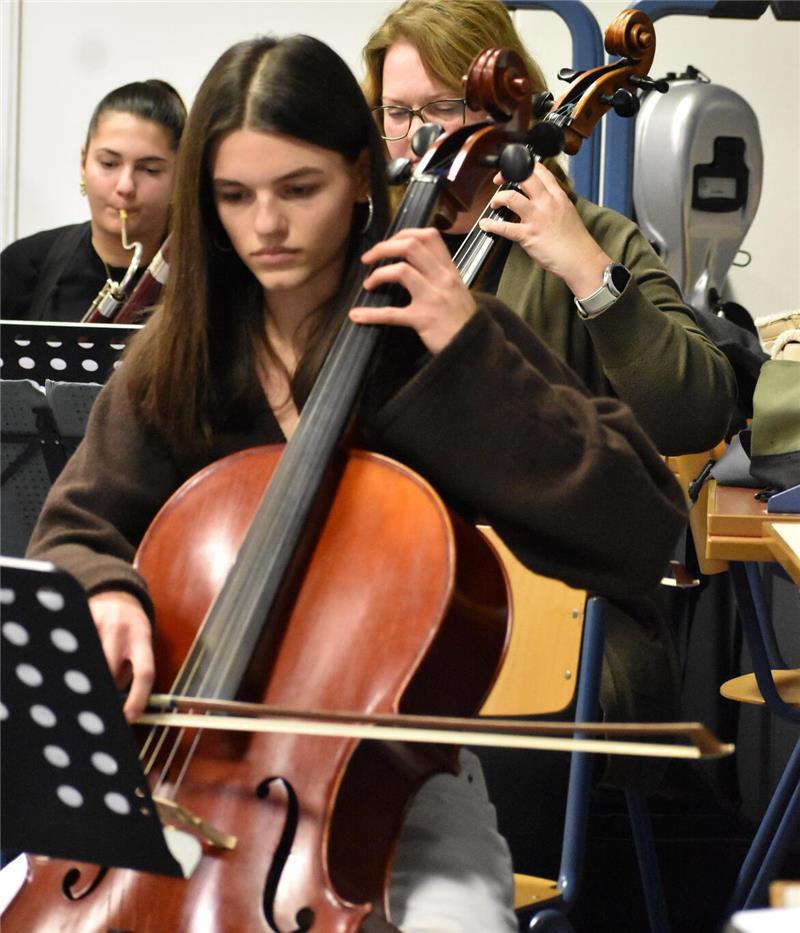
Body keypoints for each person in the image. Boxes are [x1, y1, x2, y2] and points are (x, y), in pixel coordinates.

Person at [25, 34, 687, 931]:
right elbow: (73, 530)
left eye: (299, 189)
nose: (266, 226)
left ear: (359, 175)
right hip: (173, 762)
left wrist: (470, 353)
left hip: (392, 786)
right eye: (234, 196)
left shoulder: (439, 335)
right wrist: (102, 592)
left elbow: (641, 524)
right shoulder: (179, 355)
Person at [362, 0, 737, 458]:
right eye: (397, 112)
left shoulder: (598, 237)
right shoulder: (369, 241)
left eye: (443, 106)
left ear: (507, 109)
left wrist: (586, 268)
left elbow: (694, 417)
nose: (421, 137)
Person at [1, 79, 186, 322]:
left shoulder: (209, 278)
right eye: (109, 164)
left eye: (150, 169)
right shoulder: (23, 265)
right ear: (83, 163)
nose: (125, 187)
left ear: (180, 174)